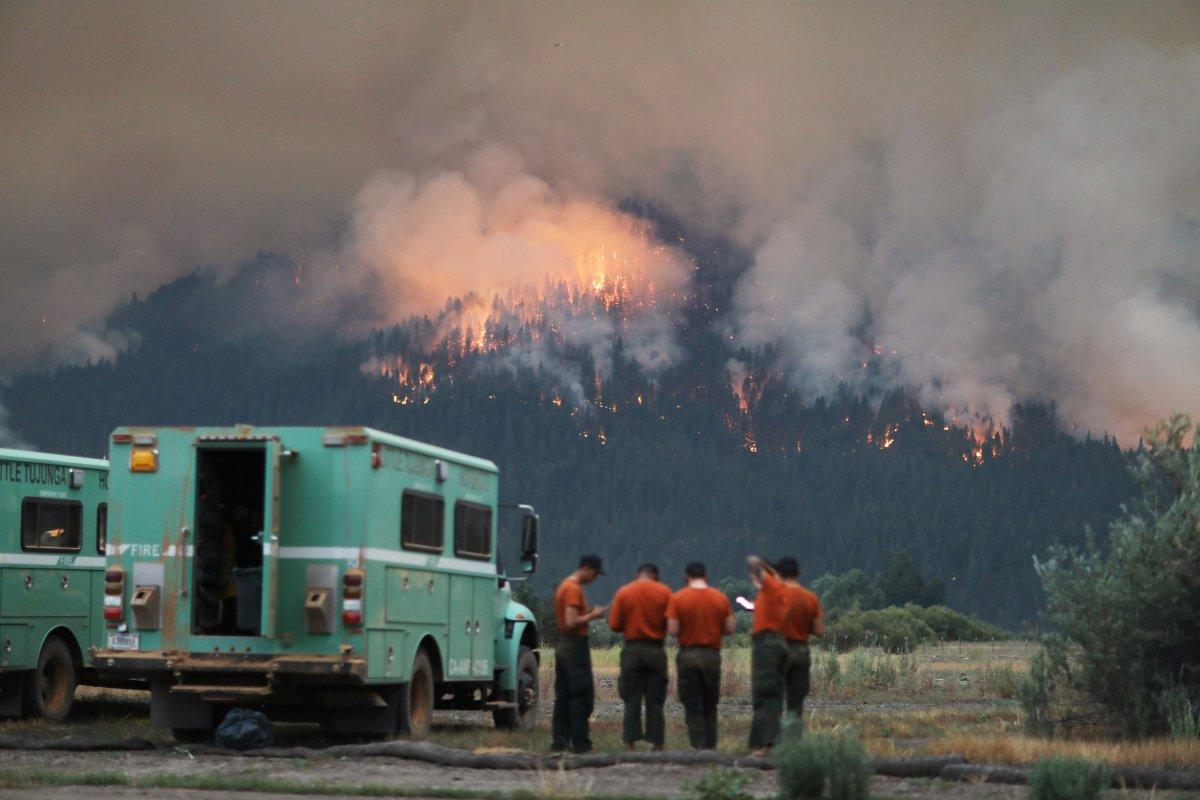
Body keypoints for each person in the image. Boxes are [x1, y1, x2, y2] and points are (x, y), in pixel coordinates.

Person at [665, 561, 735, 749]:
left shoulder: (678, 598)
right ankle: (711, 746)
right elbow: (730, 628)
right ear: (706, 576)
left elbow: (672, 630)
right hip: (712, 655)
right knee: (710, 702)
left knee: (692, 702)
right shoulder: (720, 598)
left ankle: (698, 745)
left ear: (687, 577)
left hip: (688, 655)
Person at [608, 562, 672, 750]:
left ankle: (630, 742)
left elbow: (613, 625)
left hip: (632, 650)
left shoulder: (624, 592)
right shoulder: (665, 592)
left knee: (631, 697)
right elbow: (672, 624)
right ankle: (657, 742)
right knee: (655, 698)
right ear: (655, 575)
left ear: (638, 574)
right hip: (656, 650)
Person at [551, 554, 608, 753]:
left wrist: (587, 612)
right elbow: (571, 621)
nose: (594, 578)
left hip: (564, 646)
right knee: (581, 695)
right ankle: (581, 742)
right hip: (575, 647)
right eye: (595, 574)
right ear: (587, 568)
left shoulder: (565, 586)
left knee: (564, 696)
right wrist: (594, 615)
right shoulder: (574, 589)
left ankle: (560, 740)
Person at [747, 554, 788, 753]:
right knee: (766, 692)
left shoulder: (773, 585)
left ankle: (768, 745)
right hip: (772, 643)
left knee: (766, 691)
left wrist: (760, 562)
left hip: (768, 644)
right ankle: (759, 742)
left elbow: (754, 564)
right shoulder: (773, 589)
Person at [776, 556, 823, 724]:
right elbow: (819, 631)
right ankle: (793, 737)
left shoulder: (772, 597)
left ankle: (772, 739)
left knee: (774, 697)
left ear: (779, 574)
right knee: (795, 699)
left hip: (776, 650)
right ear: (798, 573)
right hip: (800, 651)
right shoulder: (810, 598)